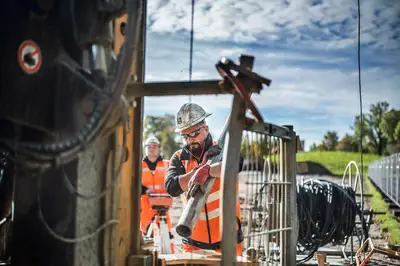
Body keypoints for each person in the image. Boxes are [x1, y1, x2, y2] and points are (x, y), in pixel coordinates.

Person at [165, 103, 244, 256]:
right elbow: (172, 187)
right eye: (185, 136)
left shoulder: (224, 150)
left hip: (228, 241)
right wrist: (196, 172)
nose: (189, 140)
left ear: (205, 129)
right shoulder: (179, 158)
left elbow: (234, 166)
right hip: (193, 243)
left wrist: (207, 170)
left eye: (193, 133)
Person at [141, 136, 174, 253]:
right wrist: (145, 189)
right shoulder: (138, 165)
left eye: (154, 147)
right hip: (145, 207)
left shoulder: (167, 164)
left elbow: (174, 180)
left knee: (168, 235)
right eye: (149, 147)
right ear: (145, 148)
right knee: (145, 236)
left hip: (163, 205)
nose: (152, 149)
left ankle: (169, 259)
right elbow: (133, 183)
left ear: (159, 148)